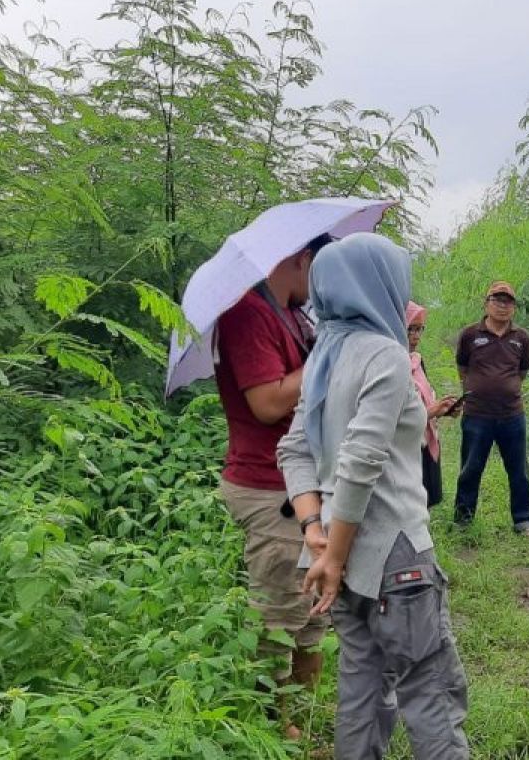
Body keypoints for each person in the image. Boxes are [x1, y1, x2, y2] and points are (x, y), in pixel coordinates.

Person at [277, 233, 469, 759]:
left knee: (362, 692)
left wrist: (316, 535)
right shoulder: (385, 354)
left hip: (336, 557)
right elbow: (363, 459)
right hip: (394, 553)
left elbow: (293, 451)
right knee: (430, 690)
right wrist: (332, 556)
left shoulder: (324, 357)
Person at [214, 233, 332, 736]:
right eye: (319, 270)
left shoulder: (295, 315)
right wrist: (324, 356)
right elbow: (266, 403)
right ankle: (271, 731)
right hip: (269, 490)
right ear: (300, 259)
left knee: (312, 615)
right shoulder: (246, 313)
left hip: (304, 485)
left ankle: (299, 722)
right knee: (276, 619)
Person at [452, 281, 529, 534]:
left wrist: (504, 388)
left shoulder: (521, 338)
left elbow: (521, 371)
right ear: (486, 303)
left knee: (519, 470)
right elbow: (462, 368)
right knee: (470, 468)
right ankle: (463, 522)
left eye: (508, 301)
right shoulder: (470, 335)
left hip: (512, 415)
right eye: (497, 300)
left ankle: (523, 521)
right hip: (477, 415)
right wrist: (479, 388)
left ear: (514, 308)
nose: (502, 305)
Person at [406, 300, 461, 507]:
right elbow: (395, 414)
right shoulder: (390, 364)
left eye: (420, 329)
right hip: (405, 449)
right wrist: (429, 411)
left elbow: (423, 399)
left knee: (424, 505)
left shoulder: (417, 361)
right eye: (411, 328)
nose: (416, 336)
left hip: (425, 442)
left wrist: (443, 410)